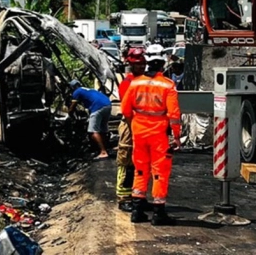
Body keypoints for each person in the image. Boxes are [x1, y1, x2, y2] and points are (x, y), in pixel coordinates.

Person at [120, 44, 181, 225]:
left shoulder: (135, 83)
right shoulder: (168, 85)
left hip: (139, 132)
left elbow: (125, 109)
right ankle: (158, 214)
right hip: (159, 135)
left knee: (140, 170)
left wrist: (136, 123)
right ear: (163, 63)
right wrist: (176, 136)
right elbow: (174, 115)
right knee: (159, 172)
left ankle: (137, 212)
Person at [116, 47, 147, 212]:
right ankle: (124, 198)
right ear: (131, 65)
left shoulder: (143, 82)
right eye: (138, 65)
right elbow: (128, 110)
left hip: (143, 125)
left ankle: (138, 196)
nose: (141, 67)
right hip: (130, 125)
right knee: (126, 161)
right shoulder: (127, 83)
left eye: (143, 64)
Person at [68, 80, 112, 159]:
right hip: (107, 105)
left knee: (92, 131)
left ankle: (103, 151)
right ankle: (107, 148)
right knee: (102, 129)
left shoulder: (77, 92)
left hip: (97, 107)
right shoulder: (88, 89)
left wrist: (70, 114)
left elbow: (72, 107)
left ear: (72, 87)